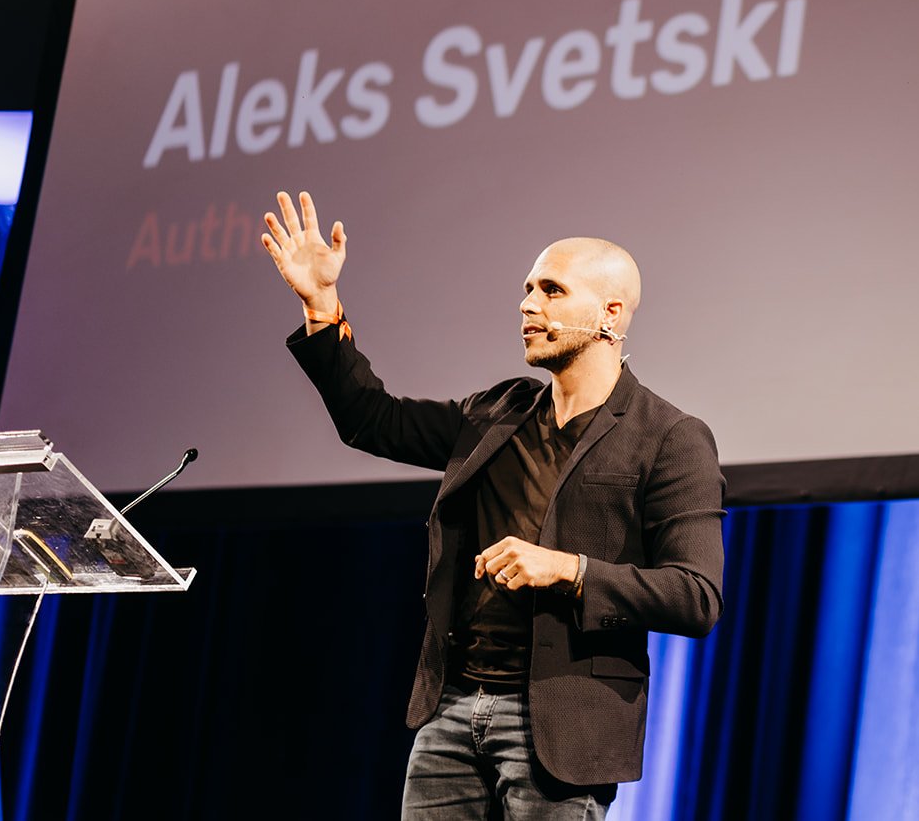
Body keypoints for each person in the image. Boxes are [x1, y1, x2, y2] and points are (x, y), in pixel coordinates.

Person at [260, 191, 725, 819]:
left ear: (610, 313)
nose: (528, 304)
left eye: (552, 290)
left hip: (559, 724)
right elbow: (372, 419)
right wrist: (322, 306)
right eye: (528, 289)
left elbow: (695, 596)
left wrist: (568, 569)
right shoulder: (498, 413)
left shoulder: (669, 437)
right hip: (452, 710)